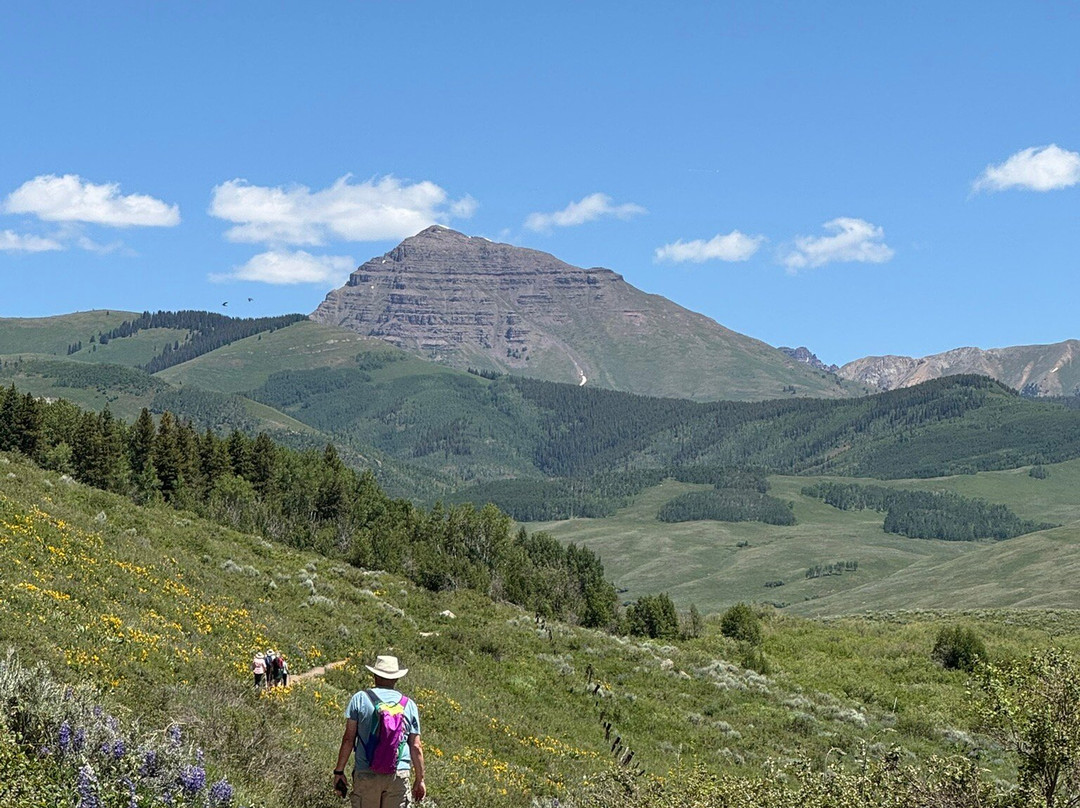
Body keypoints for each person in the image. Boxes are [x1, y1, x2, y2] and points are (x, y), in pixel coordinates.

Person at [333, 654, 425, 806]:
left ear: (375, 676)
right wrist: (420, 780)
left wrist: (339, 771)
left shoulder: (360, 699)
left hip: (366, 773)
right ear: (396, 679)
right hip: (398, 775)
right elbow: (416, 746)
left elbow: (348, 739)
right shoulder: (409, 705)